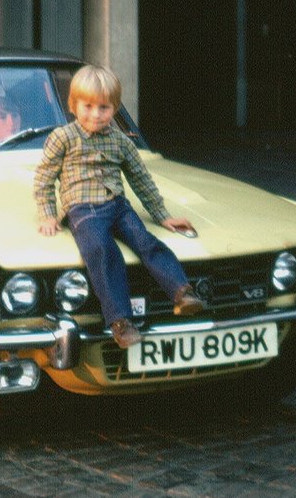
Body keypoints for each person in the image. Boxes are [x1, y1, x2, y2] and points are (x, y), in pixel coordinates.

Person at [33, 64, 205, 349]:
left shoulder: (121, 142)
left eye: (104, 107)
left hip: (118, 206)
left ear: (114, 109)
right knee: (102, 250)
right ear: (73, 106)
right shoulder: (63, 138)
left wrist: (162, 215)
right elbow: (43, 179)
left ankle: (182, 293)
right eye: (88, 106)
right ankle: (121, 322)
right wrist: (48, 215)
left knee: (145, 241)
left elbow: (141, 178)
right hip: (83, 210)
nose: (96, 114)